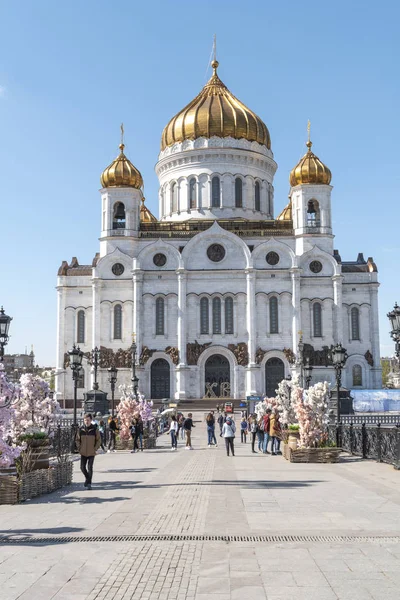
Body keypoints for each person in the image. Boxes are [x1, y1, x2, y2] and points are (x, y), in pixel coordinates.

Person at [76, 413, 101, 490]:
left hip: (91, 452)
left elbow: (99, 440)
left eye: (88, 420)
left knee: (90, 467)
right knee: (82, 467)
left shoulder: (94, 429)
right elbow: (77, 440)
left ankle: (89, 483)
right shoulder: (80, 429)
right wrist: (79, 448)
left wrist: (95, 448)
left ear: (91, 420)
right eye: (85, 420)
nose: (86, 421)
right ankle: (87, 478)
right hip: (83, 452)